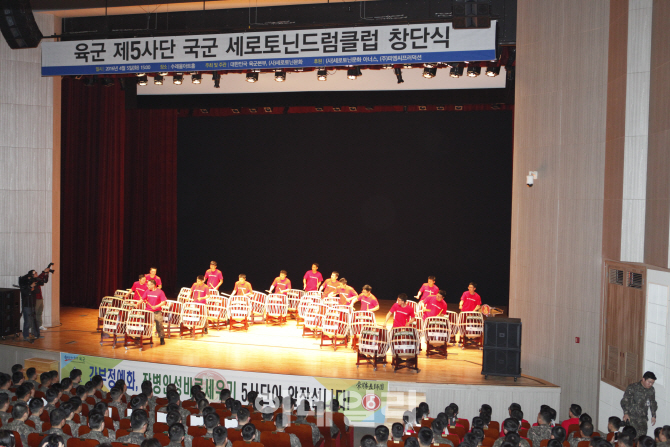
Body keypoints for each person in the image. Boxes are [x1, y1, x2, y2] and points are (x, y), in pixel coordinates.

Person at [621, 371, 658, 437]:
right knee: (631, 438)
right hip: (632, 418)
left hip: (643, 419)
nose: (650, 384)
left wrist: (653, 415)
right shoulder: (632, 387)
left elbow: (653, 402)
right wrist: (626, 413)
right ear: (643, 379)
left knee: (641, 439)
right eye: (649, 382)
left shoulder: (651, 390)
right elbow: (625, 401)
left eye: (652, 383)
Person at [141, 279, 167, 345]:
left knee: (159, 323)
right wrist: (137, 304)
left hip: (157, 311)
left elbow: (164, 302)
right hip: (148, 311)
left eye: (149, 285)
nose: (147, 286)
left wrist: (156, 306)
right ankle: (141, 337)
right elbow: (142, 299)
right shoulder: (147, 291)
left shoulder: (160, 292)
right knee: (143, 323)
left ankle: (162, 338)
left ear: (153, 285)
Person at [19, 277, 40, 342]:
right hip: (26, 306)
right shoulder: (24, 288)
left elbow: (38, 291)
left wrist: (34, 287)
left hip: (33, 305)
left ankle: (36, 334)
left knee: (34, 320)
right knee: (27, 321)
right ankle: (26, 335)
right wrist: (30, 287)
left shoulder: (34, 287)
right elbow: (26, 293)